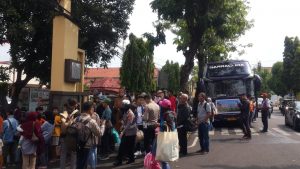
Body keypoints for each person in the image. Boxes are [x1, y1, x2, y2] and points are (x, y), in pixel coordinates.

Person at [76, 102, 102, 169]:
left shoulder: (77, 118)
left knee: (79, 162)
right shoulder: (91, 121)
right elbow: (99, 133)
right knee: (84, 163)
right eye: (92, 108)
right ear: (89, 109)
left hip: (77, 143)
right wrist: (103, 125)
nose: (93, 110)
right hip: (86, 145)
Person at [60, 99, 80, 169]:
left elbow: (62, 123)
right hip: (73, 136)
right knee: (73, 154)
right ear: (75, 105)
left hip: (63, 135)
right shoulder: (77, 113)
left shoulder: (64, 112)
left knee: (63, 154)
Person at [158, 98, 176, 169]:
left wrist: (160, 125)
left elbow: (171, 127)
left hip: (166, 138)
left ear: (164, 107)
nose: (160, 107)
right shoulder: (169, 113)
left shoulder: (168, 115)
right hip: (165, 137)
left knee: (164, 159)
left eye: (161, 106)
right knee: (163, 159)